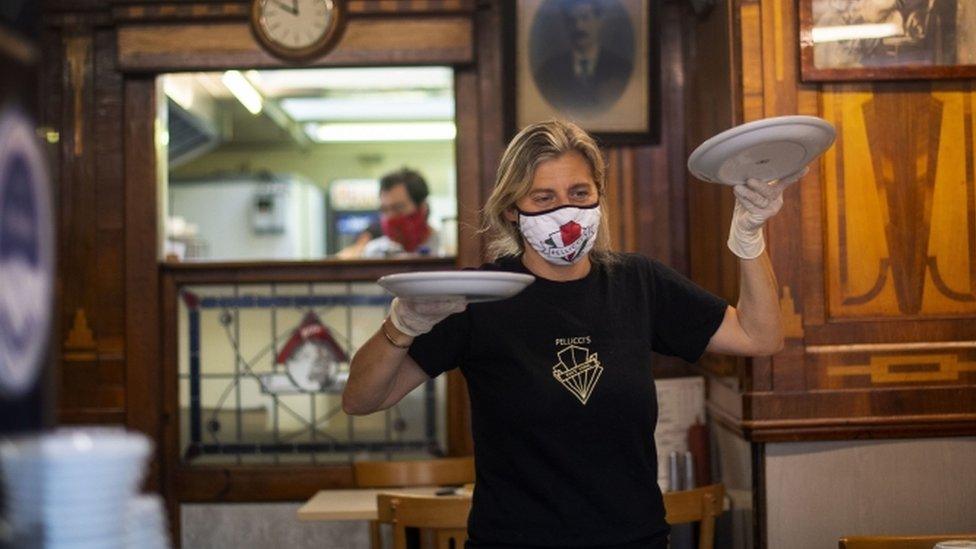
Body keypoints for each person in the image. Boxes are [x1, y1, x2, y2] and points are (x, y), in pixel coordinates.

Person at [343, 120, 801, 548]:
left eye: (580, 192)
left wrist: (749, 239)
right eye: (543, 198)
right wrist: (401, 327)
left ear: (599, 196)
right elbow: (361, 400)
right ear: (511, 209)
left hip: (634, 540)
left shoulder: (637, 282)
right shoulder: (477, 297)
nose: (567, 210)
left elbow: (760, 337)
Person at [532, 0, 633, 114]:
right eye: (571, 20)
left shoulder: (621, 69)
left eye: (585, 18)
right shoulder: (548, 72)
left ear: (599, 22)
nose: (578, 26)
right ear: (565, 25)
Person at [361, 168, 440, 258]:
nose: (390, 217)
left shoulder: (447, 250)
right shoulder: (374, 253)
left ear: (422, 207)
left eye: (398, 208)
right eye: (385, 209)